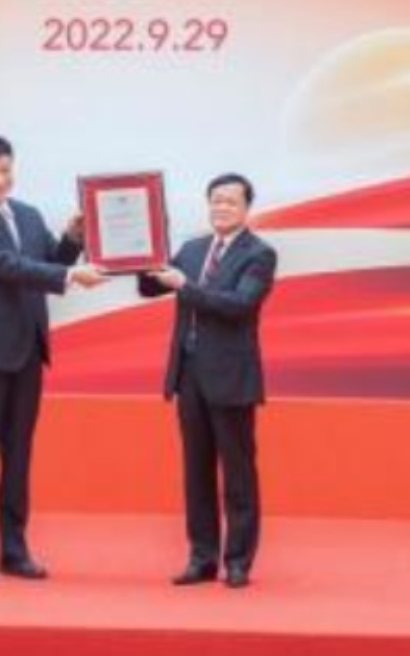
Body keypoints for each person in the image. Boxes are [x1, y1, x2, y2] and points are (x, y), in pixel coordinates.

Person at [0, 134, 107, 582]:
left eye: (5, 170)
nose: (0, 179)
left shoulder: (29, 215)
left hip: (27, 353)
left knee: (18, 458)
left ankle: (14, 551)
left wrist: (73, 239)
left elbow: (49, 260)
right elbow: (7, 267)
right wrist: (70, 275)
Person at [138, 173, 277, 589]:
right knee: (196, 470)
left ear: (247, 208)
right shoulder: (194, 248)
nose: (222, 208)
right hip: (190, 373)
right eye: (216, 200)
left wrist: (187, 286)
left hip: (231, 376)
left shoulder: (259, 254)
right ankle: (202, 558)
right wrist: (140, 251)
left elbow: (239, 304)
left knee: (237, 472)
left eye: (231, 201)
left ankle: (238, 561)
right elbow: (149, 286)